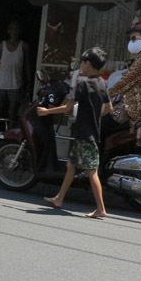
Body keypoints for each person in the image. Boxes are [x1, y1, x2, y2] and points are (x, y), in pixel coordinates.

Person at [41, 47, 112, 218]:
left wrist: (47, 112)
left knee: (91, 171)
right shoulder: (102, 83)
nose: (81, 65)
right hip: (89, 132)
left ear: (88, 64)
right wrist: (96, 117)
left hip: (84, 134)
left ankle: (101, 209)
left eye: (83, 62)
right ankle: (59, 198)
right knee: (71, 166)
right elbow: (109, 107)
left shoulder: (83, 85)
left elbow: (67, 107)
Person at [105, 20, 141, 145]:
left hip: (132, 108)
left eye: (134, 38)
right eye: (130, 39)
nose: (131, 42)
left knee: (99, 124)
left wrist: (107, 93)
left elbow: (126, 82)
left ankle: (95, 162)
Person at [0, 20, 31, 127]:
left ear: (19, 31)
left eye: (16, 29)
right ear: (8, 31)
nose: (14, 31)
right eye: (12, 29)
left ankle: (10, 136)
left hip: (15, 84)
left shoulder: (24, 46)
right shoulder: (2, 45)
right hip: (0, 83)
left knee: (12, 113)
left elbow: (26, 65)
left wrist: (29, 81)